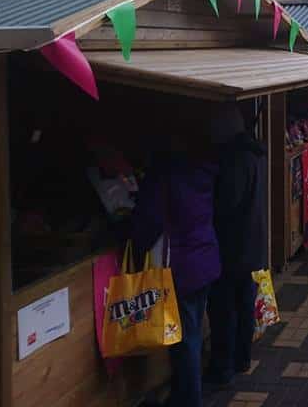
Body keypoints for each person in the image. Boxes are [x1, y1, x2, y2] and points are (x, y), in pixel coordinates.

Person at [131, 129, 220, 407]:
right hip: (206, 260)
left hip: (182, 269)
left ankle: (189, 399)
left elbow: (149, 221)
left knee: (186, 339)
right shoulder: (204, 173)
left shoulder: (164, 179)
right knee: (191, 332)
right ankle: (186, 394)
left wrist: (135, 243)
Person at [206, 107, 268, 390]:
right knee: (244, 305)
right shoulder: (255, 153)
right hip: (252, 243)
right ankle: (243, 358)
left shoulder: (233, 159)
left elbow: (226, 204)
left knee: (224, 310)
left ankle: (223, 367)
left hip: (232, 247)